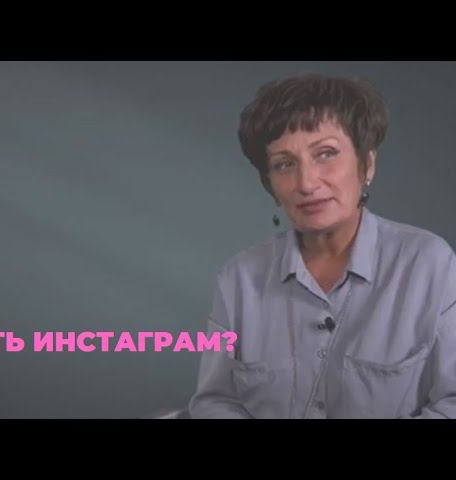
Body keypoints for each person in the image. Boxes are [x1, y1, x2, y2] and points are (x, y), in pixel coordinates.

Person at [189, 73, 456, 418]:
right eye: (285, 164)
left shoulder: (430, 264)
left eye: (326, 154)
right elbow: (215, 401)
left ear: (367, 164)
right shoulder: (239, 278)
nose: (307, 182)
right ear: (270, 184)